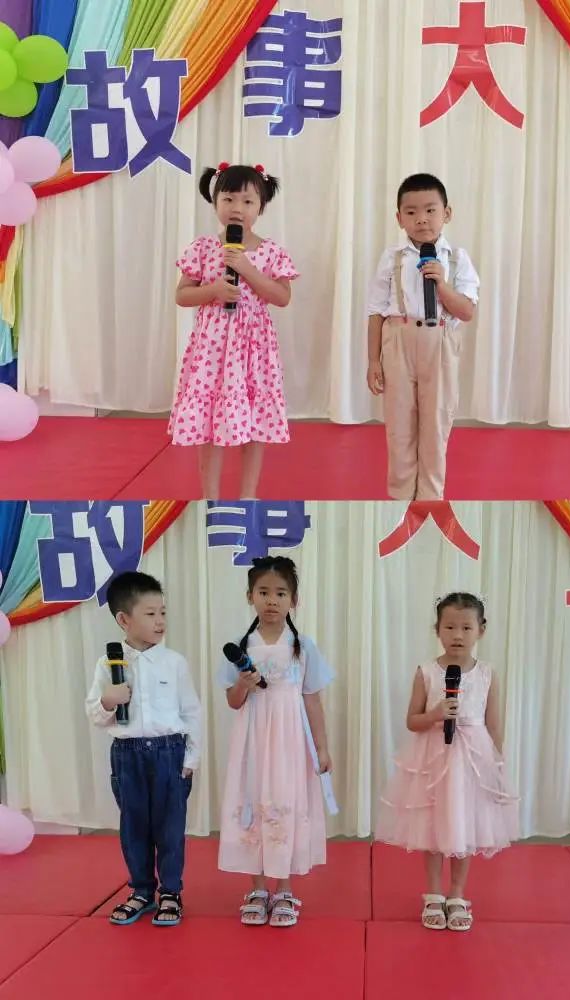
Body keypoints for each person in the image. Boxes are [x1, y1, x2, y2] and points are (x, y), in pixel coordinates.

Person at [376, 592, 517, 931]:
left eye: (466, 627)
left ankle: (457, 894)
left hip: (473, 762)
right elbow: (412, 720)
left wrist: (496, 768)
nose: (457, 635)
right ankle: (434, 893)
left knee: (465, 824)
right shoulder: (426, 672)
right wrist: (435, 714)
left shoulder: (487, 674)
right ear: (437, 629)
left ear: (481, 630)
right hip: (435, 759)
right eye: (450, 627)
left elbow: (494, 725)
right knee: (433, 825)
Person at [169, 162, 298, 499]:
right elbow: (182, 296)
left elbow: (282, 297)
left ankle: (248, 495)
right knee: (210, 421)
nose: (237, 208)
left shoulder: (271, 252)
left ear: (261, 207)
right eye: (228, 199)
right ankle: (210, 495)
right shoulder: (202, 248)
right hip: (213, 348)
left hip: (254, 350)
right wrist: (213, 290)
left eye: (247, 201)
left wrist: (246, 269)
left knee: (254, 420)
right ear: (215, 202)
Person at [217, 556, 333, 928]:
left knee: (285, 800)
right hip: (253, 738)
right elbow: (233, 701)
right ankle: (257, 889)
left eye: (281, 593)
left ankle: (284, 888)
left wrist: (322, 747)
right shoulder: (242, 646)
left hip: (290, 741)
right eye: (263, 592)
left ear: (293, 600)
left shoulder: (303, 647)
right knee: (253, 799)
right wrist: (243, 685)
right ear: (250, 596)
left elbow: (312, 699)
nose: (272, 600)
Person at [85, 571, 202, 927]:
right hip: (127, 755)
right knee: (134, 827)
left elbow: (192, 712)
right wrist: (108, 700)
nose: (160, 621)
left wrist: (191, 757)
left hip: (169, 754)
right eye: (150, 614)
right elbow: (95, 714)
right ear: (124, 620)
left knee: (170, 829)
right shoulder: (108, 664)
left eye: (162, 612)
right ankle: (140, 891)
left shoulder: (175, 662)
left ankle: (171, 892)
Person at [366, 173, 479, 501]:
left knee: (435, 425)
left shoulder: (456, 258)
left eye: (430, 210)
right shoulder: (392, 258)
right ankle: (400, 498)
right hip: (398, 341)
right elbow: (376, 311)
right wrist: (373, 360)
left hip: (439, 343)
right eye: (411, 211)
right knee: (399, 427)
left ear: (447, 213)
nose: (421, 219)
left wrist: (441, 284)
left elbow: (466, 311)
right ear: (399, 218)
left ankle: (430, 498)